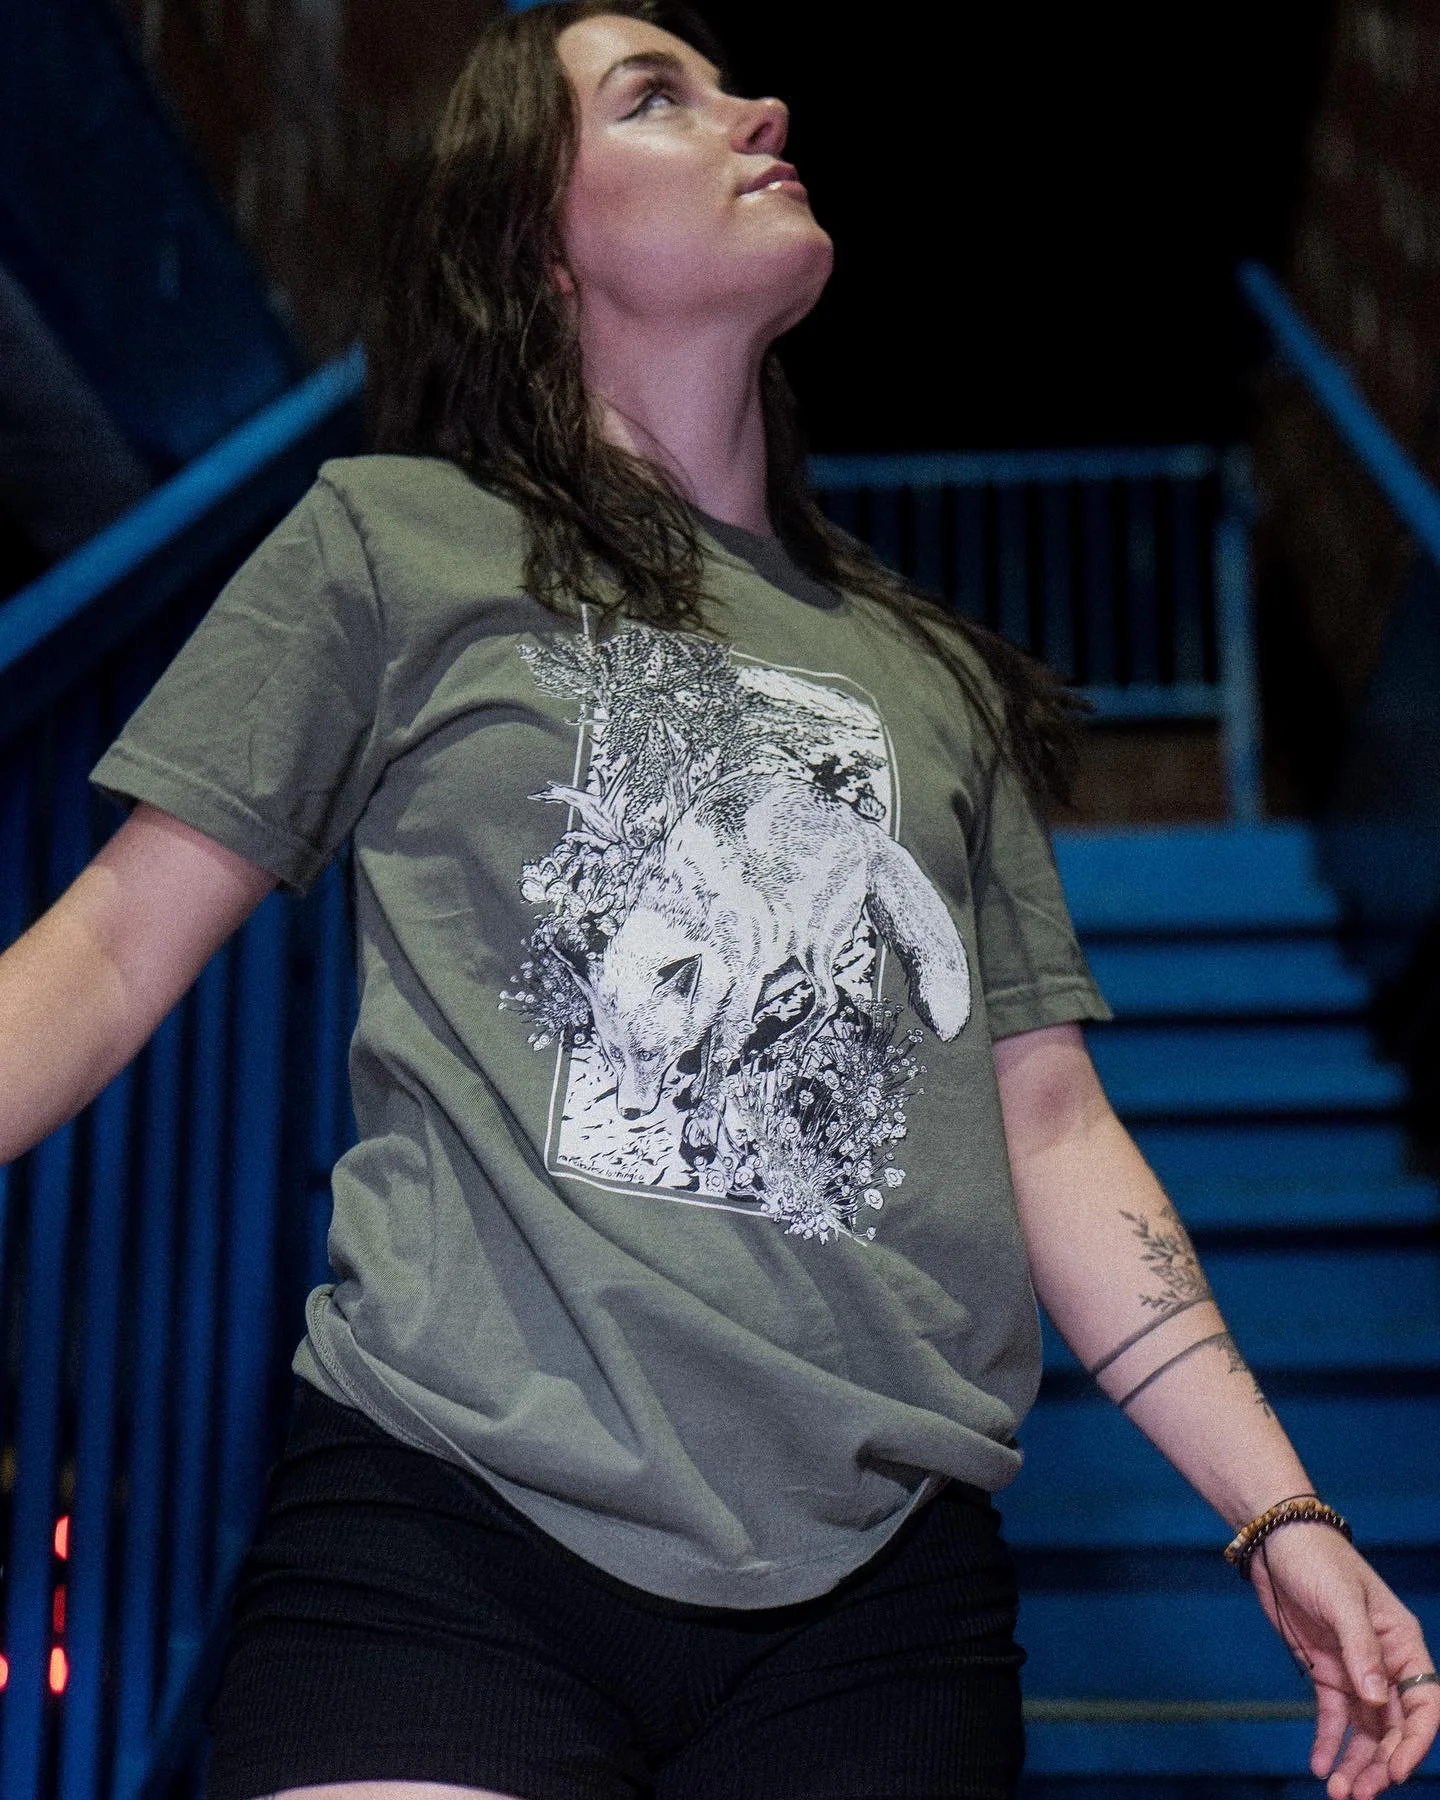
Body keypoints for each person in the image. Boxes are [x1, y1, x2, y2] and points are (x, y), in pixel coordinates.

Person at [0, 4, 1436, 1797]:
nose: (761, 105)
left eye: (725, 80)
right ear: (535, 245)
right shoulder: (386, 543)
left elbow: (1050, 1130)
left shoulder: (930, 679)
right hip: (446, 1529)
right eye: (655, 97)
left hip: (878, 1601)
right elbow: (116, 949)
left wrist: (1277, 1506)